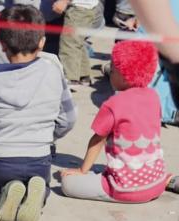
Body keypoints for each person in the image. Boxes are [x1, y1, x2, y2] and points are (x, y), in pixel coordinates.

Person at [0, 5, 76, 221]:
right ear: (42, 42)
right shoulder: (54, 73)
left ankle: (3, 194)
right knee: (40, 186)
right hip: (39, 160)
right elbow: (68, 119)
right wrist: (48, 135)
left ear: (2, 44)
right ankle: (36, 193)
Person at [61, 41, 179, 203]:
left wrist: (82, 170)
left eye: (113, 70)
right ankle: (167, 179)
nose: (110, 73)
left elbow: (97, 140)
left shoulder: (113, 104)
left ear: (124, 76)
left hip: (124, 190)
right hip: (155, 183)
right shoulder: (153, 96)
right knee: (141, 161)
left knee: (67, 183)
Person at [53, 0, 100, 85]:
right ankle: (83, 75)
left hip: (79, 9)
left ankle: (70, 77)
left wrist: (63, 1)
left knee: (69, 44)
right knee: (78, 42)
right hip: (86, 8)